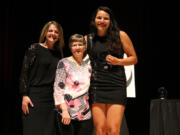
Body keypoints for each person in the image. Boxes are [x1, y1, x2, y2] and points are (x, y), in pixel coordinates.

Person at [85, 6, 138, 135]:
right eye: (99, 18)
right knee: (100, 130)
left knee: (113, 130)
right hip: (97, 87)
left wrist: (118, 61)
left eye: (105, 18)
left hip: (116, 86)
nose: (102, 21)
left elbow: (134, 58)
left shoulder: (121, 35)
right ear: (94, 20)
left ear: (110, 21)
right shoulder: (88, 39)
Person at [19, 20, 64, 135]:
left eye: (56, 32)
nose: (53, 34)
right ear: (45, 33)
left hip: (50, 99)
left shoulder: (59, 53)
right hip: (34, 98)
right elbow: (25, 72)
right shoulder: (35, 48)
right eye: (50, 31)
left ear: (59, 36)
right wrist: (24, 95)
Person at [53, 34, 93, 135]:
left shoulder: (88, 67)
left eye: (80, 44)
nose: (77, 47)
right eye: (74, 45)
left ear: (84, 47)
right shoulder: (64, 63)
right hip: (67, 112)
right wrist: (64, 111)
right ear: (70, 48)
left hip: (85, 113)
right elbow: (58, 88)